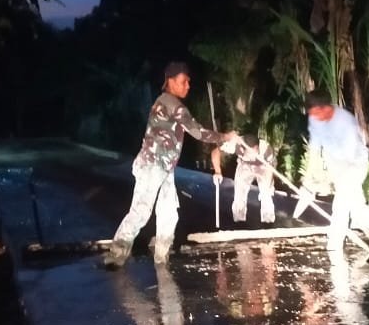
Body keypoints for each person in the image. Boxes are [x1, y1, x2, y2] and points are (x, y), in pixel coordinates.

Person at [103, 62, 238, 268]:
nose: (188, 86)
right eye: (183, 82)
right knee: (141, 211)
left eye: (188, 82)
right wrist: (225, 136)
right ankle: (116, 255)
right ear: (171, 82)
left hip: (163, 167)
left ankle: (161, 258)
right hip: (152, 165)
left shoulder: (163, 102)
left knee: (168, 213)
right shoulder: (172, 104)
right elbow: (198, 132)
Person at [298, 89, 369, 252]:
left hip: (354, 166)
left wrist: (328, 182)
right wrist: (308, 181)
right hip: (338, 167)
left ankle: (334, 247)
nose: (314, 116)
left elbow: (349, 155)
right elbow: (314, 150)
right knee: (357, 207)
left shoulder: (344, 122)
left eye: (316, 112)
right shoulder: (315, 119)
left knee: (341, 206)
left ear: (325, 107)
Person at [229, 133, 277, 224]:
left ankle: (268, 220)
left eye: (256, 151)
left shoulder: (267, 149)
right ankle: (239, 219)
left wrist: (268, 186)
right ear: (243, 149)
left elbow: (270, 170)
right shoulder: (236, 145)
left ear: (258, 146)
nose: (254, 156)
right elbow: (216, 151)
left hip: (263, 166)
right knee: (239, 191)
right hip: (245, 165)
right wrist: (217, 171)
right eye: (250, 153)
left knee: (266, 193)